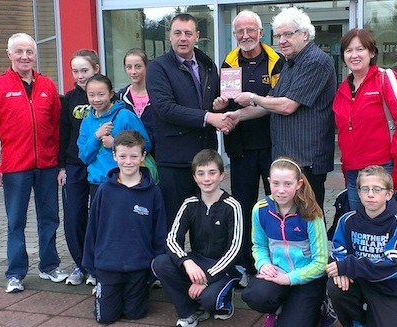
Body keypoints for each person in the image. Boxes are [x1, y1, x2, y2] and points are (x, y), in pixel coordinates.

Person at [219, 7, 336, 212]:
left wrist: (253, 97)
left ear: (304, 34)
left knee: (308, 219)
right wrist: (237, 116)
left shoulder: (315, 61)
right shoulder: (291, 64)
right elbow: (270, 102)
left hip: (306, 160)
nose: (282, 40)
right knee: (288, 219)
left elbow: (287, 106)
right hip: (290, 157)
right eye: (279, 35)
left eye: (288, 34)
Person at [0, 32, 68, 293]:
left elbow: (57, 127)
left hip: (47, 166)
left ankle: (49, 266)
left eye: (29, 51)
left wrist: (60, 164)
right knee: (16, 221)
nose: (25, 56)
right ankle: (15, 273)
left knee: (50, 218)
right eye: (19, 51)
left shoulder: (48, 86)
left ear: (35, 54)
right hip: (15, 168)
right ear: (9, 55)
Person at [146, 13, 235, 227]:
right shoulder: (158, 68)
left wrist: (218, 106)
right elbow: (166, 109)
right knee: (173, 223)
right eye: (177, 33)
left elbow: (208, 104)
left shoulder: (207, 65)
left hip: (204, 159)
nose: (182, 38)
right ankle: (174, 261)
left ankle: (202, 261)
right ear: (170, 36)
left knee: (205, 224)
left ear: (197, 36)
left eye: (188, 33)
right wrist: (209, 116)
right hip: (174, 161)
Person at [215, 9, 285, 280]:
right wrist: (219, 105)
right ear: (235, 35)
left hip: (271, 144)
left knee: (275, 205)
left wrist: (253, 101)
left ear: (260, 32)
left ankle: (276, 259)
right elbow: (223, 100)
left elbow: (278, 103)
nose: (245, 36)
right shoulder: (229, 61)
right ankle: (244, 262)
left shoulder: (276, 60)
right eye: (240, 31)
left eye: (250, 30)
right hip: (240, 147)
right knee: (242, 207)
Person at [82, 130, 166, 324]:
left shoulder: (153, 192)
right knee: (106, 318)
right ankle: (102, 289)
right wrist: (92, 267)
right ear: (114, 156)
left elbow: (160, 232)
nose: (128, 161)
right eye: (122, 156)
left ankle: (134, 292)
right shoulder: (104, 191)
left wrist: (154, 270)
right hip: (108, 265)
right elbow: (92, 229)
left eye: (134, 156)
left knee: (135, 314)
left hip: (138, 266)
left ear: (143, 156)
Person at [152, 149, 243, 327]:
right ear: (194, 177)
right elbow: (172, 239)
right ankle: (188, 312)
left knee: (210, 301)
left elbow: (235, 248)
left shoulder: (232, 206)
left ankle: (224, 301)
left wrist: (207, 278)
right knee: (160, 263)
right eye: (201, 173)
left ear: (222, 175)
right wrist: (186, 261)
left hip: (223, 267)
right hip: (197, 260)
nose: (206, 179)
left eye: (212, 173)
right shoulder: (190, 204)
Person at [332, 28, 397, 211]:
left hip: (382, 169)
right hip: (354, 173)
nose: (354, 55)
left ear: (371, 52)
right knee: (359, 229)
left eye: (360, 49)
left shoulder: (386, 79)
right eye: (348, 50)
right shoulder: (342, 89)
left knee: (384, 228)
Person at [241, 157, 328, 327]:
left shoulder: (311, 214)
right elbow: (259, 245)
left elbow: (321, 262)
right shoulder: (260, 210)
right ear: (268, 182)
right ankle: (280, 308)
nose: (281, 190)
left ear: (299, 184)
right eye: (276, 183)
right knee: (253, 295)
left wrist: (289, 278)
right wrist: (263, 263)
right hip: (277, 273)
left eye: (287, 184)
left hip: (307, 278)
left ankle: (320, 307)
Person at [326, 165, 397, 327]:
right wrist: (340, 271)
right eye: (365, 189)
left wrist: (348, 266)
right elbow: (338, 254)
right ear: (358, 193)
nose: (370, 194)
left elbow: (394, 266)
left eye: (377, 189)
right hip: (357, 281)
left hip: (388, 288)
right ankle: (356, 322)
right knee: (335, 286)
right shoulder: (346, 220)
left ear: (389, 194)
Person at [58, 49, 100, 287]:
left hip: (98, 165)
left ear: (95, 69)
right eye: (75, 71)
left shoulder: (105, 96)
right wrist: (61, 166)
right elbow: (63, 133)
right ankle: (80, 264)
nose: (80, 75)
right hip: (74, 166)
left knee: (97, 216)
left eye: (84, 70)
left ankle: (95, 265)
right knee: (74, 216)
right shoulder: (70, 100)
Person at [77, 74, 152, 201]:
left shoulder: (125, 116)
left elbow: (146, 145)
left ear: (111, 94)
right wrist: (96, 137)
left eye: (101, 94)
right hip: (97, 184)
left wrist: (115, 144)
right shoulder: (87, 121)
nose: (96, 99)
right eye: (91, 95)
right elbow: (84, 157)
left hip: (125, 181)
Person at [116, 48, 155, 151]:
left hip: (157, 153)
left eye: (138, 67)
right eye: (129, 67)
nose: (133, 71)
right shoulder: (120, 96)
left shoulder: (157, 94)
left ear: (146, 67)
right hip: (129, 155)